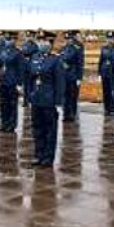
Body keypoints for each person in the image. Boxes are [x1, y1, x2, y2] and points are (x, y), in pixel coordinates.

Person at [28, 31, 65, 167]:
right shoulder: (34, 57)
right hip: (36, 98)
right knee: (37, 128)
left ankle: (48, 157)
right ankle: (38, 154)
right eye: (40, 41)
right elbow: (30, 78)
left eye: (44, 41)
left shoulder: (55, 60)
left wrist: (58, 102)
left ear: (50, 43)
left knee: (50, 129)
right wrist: (29, 95)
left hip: (49, 99)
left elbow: (60, 82)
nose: (41, 44)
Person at [0, 31, 25, 133]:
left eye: (10, 39)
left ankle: (11, 125)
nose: (8, 41)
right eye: (7, 39)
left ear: (14, 40)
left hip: (12, 81)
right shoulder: (3, 51)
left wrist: (19, 84)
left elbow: (21, 69)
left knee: (12, 105)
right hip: (3, 81)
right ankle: (4, 124)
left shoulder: (18, 53)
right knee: (3, 104)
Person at [60, 30, 84, 122]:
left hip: (73, 75)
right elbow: (60, 58)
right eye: (66, 39)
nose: (67, 40)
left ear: (72, 39)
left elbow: (80, 63)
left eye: (69, 38)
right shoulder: (63, 48)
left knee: (73, 96)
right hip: (64, 76)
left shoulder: (77, 48)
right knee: (65, 96)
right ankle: (66, 114)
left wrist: (79, 77)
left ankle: (72, 114)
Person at [98, 31, 114, 115]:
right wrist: (99, 73)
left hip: (113, 73)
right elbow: (101, 60)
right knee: (105, 91)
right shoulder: (104, 48)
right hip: (104, 73)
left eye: (111, 38)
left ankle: (113, 108)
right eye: (108, 38)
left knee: (113, 91)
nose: (110, 40)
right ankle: (107, 108)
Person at [20, 30, 39, 107]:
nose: (28, 38)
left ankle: (32, 100)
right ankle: (26, 101)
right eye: (27, 36)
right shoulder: (24, 44)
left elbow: (27, 52)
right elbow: (23, 52)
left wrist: (25, 52)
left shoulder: (35, 45)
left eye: (30, 36)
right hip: (25, 67)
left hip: (32, 67)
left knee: (32, 86)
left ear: (33, 37)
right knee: (26, 85)